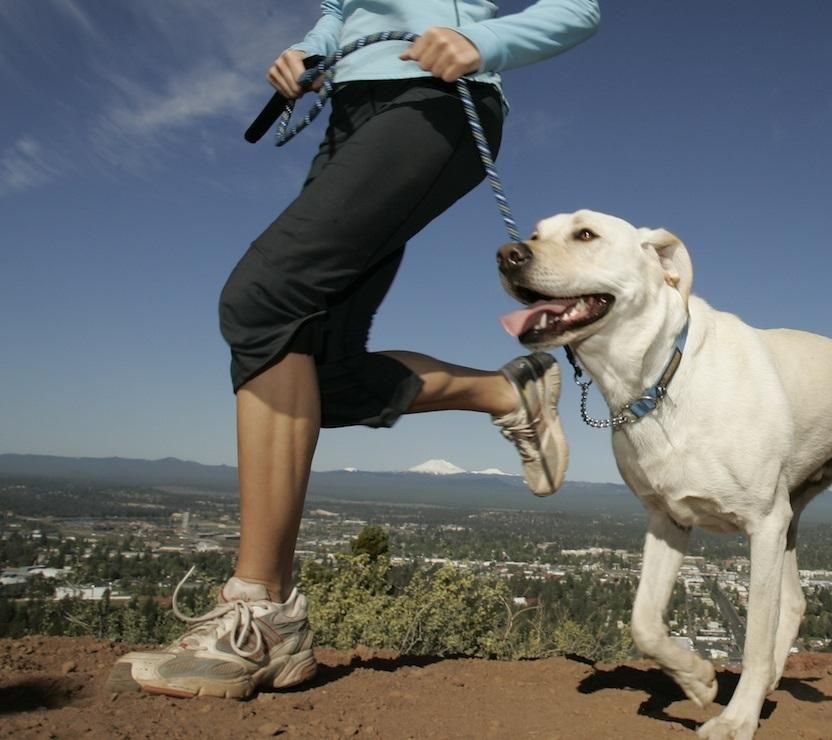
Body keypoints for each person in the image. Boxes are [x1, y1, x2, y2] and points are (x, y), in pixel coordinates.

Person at [108, 0, 600, 699]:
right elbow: (339, 11)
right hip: (349, 114)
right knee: (321, 377)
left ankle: (261, 609)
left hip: (432, 103)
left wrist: (482, 41)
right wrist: (307, 52)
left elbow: (579, 7)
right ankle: (505, 392)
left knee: (263, 300)